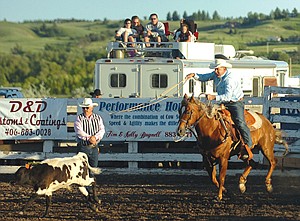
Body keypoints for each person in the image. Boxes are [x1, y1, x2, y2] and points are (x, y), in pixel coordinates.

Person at [185, 59, 253, 161]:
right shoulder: (216, 75)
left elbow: (228, 96)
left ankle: (248, 143)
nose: (216, 71)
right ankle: (210, 142)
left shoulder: (229, 80)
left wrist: (213, 97)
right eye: (215, 69)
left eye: (218, 69)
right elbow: (205, 77)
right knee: (209, 115)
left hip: (234, 103)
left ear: (224, 69)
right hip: (223, 102)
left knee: (239, 122)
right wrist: (194, 75)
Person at [74, 98, 105, 199]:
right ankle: (87, 192)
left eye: (87, 107)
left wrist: (95, 138)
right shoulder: (79, 118)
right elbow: (79, 132)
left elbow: (102, 130)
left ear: (91, 108)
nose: (85, 109)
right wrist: (89, 138)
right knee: (83, 169)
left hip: (93, 146)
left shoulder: (98, 118)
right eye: (84, 108)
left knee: (93, 169)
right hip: (83, 146)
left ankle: (91, 190)